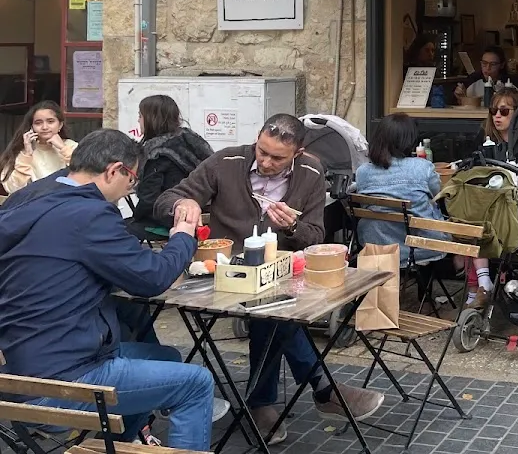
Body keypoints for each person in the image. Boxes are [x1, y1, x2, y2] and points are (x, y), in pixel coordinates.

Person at [156, 114, 384, 443]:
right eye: (262, 151)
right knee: (273, 312)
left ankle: (264, 402)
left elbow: (315, 236)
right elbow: (165, 200)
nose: (265, 162)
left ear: (298, 153)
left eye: (277, 158)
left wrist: (292, 226)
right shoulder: (227, 161)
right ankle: (320, 390)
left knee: (272, 310)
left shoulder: (310, 172)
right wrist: (184, 203)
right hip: (225, 272)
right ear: (257, 140)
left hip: (280, 273)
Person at [0, 129, 214, 450]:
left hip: (17, 370)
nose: (131, 189)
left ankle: (118, 443)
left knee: (167, 357)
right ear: (114, 171)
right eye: (132, 181)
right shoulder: (90, 214)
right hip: (63, 380)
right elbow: (152, 278)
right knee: (196, 384)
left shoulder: (28, 197)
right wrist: (183, 235)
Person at [354, 114, 448, 304]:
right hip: (418, 246)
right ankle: (425, 296)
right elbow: (438, 193)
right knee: (435, 213)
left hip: (375, 244)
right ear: (408, 140)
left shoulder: (363, 172)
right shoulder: (422, 168)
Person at [462, 87, 518, 307]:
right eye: (494, 111)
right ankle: (481, 284)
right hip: (487, 201)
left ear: (517, 113)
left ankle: (477, 288)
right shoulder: (485, 140)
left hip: (513, 206)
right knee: (466, 216)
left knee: (473, 220)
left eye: (504, 111)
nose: (497, 116)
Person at [131, 94, 213, 230]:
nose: (138, 120)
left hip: (173, 218)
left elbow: (148, 199)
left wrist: (136, 217)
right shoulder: (191, 141)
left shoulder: (157, 154)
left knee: (122, 229)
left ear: (151, 119)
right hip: (203, 215)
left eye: (140, 116)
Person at [1, 100, 76, 193]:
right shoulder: (22, 151)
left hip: (65, 199)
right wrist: (27, 154)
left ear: (60, 125)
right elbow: (12, 189)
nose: (44, 127)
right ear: (31, 127)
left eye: (50, 121)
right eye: (38, 123)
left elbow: (87, 176)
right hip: (32, 200)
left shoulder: (72, 146)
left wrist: (62, 148)